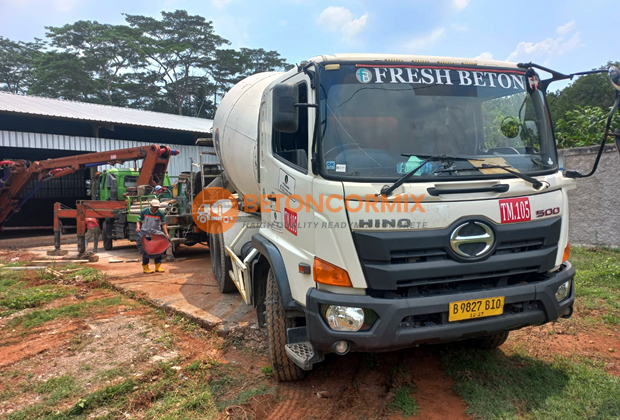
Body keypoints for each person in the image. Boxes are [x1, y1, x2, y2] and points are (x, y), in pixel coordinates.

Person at [136, 199, 169, 274]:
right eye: (154, 207)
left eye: (157, 207)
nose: (156, 209)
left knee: (158, 251)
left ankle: (158, 266)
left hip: (157, 235)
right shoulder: (144, 211)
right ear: (150, 206)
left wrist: (166, 233)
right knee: (146, 251)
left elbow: (163, 224)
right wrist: (138, 228)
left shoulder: (160, 213)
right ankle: (145, 267)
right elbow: (139, 221)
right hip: (146, 235)